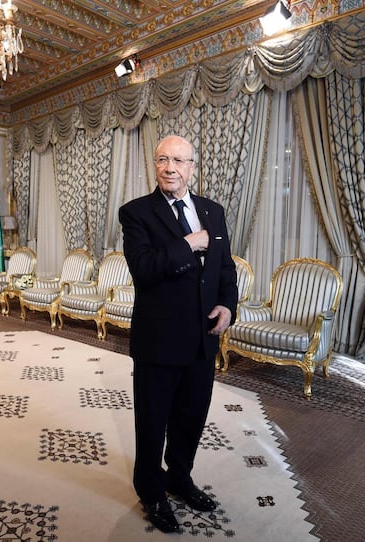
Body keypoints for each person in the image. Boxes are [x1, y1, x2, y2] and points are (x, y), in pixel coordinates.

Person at [119, 135, 238, 533]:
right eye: (163, 160)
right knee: (153, 422)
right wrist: (190, 243)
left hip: (204, 339)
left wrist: (227, 305)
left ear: (192, 166)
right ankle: (151, 489)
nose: (171, 167)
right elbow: (146, 269)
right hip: (159, 339)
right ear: (155, 166)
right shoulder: (136, 213)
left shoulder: (213, 211)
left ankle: (179, 478)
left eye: (180, 161)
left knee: (191, 418)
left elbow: (225, 268)